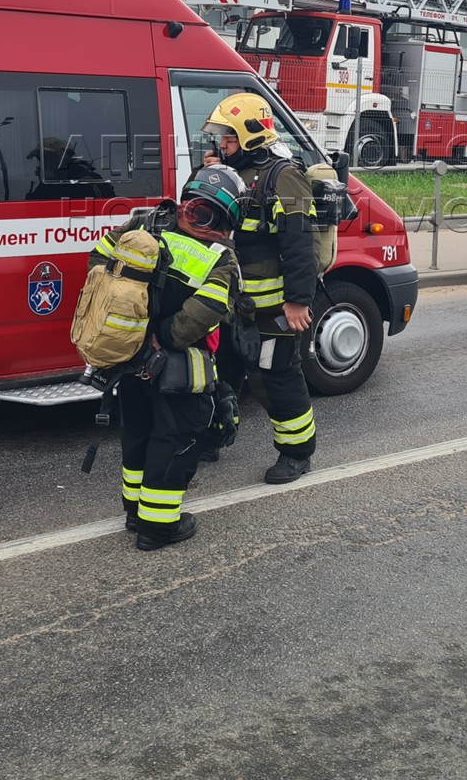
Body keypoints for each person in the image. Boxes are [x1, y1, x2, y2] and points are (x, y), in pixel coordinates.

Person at [91, 165, 244, 551]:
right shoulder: (221, 258)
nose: (194, 217)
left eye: (200, 212)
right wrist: (160, 338)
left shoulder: (143, 224)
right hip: (178, 368)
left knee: (137, 434)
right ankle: (158, 527)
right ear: (229, 220)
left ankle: (134, 512)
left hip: (127, 359)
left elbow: (98, 265)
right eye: (192, 210)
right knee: (175, 439)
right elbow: (200, 318)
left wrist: (132, 331)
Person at [202, 92, 319, 484]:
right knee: (218, 373)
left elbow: (300, 243)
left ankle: (296, 454)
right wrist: (209, 177)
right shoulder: (232, 174)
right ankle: (213, 436)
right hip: (231, 304)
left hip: (274, 310)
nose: (223, 145)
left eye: (230, 139)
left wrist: (299, 301)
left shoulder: (283, 176)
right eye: (221, 139)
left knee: (275, 378)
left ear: (251, 136)